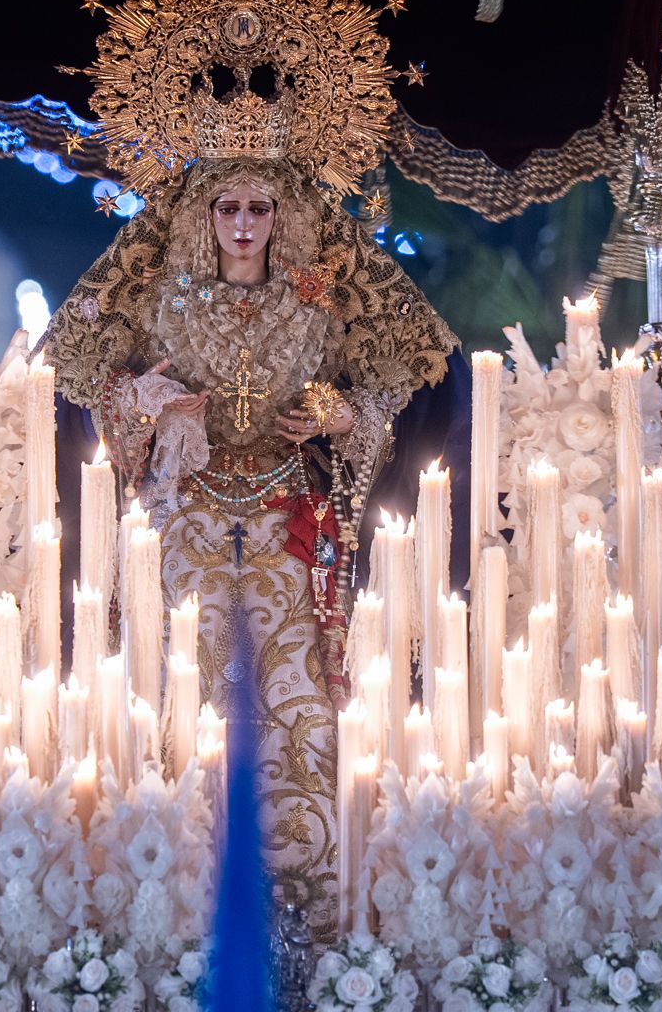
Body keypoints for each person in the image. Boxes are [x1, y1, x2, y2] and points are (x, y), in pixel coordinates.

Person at [42, 155, 456, 928]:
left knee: (299, 700)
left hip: (287, 528)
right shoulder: (163, 300)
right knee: (176, 690)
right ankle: (172, 893)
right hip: (188, 528)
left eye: (257, 208)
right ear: (202, 216)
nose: (240, 224)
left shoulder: (319, 306)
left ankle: (307, 896)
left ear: (281, 216)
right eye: (226, 207)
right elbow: (102, 398)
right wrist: (147, 401)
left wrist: (338, 417)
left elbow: (376, 403)